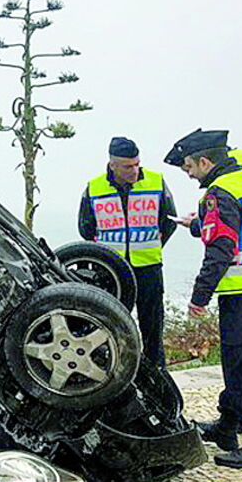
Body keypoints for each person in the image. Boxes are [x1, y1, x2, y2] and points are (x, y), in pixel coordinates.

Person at [165, 129, 242, 470]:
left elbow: (222, 250)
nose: (187, 172)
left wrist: (199, 297)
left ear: (205, 161)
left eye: (188, 166)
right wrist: (199, 224)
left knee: (240, 368)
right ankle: (227, 427)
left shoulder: (220, 192)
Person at [78, 136, 177, 368]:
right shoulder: (94, 187)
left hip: (148, 266)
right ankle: (116, 369)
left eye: (137, 164)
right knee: (111, 325)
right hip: (111, 271)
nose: (134, 170)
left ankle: (156, 370)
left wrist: (151, 245)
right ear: (112, 165)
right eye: (127, 166)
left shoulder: (156, 182)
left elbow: (169, 221)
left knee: (152, 324)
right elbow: (86, 228)